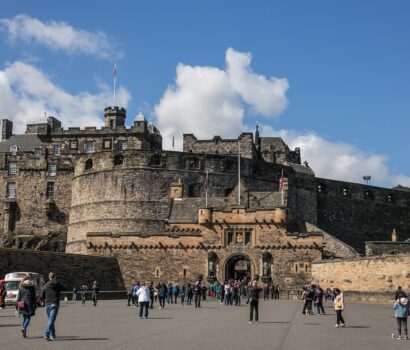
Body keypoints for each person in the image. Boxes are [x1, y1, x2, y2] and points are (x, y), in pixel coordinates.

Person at [41, 272, 65, 341]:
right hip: (54, 303)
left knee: (50, 320)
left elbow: (42, 295)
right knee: (51, 320)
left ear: (49, 277)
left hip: (47, 304)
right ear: (55, 277)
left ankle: (53, 335)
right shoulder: (57, 284)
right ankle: (47, 334)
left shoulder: (46, 285)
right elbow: (64, 288)